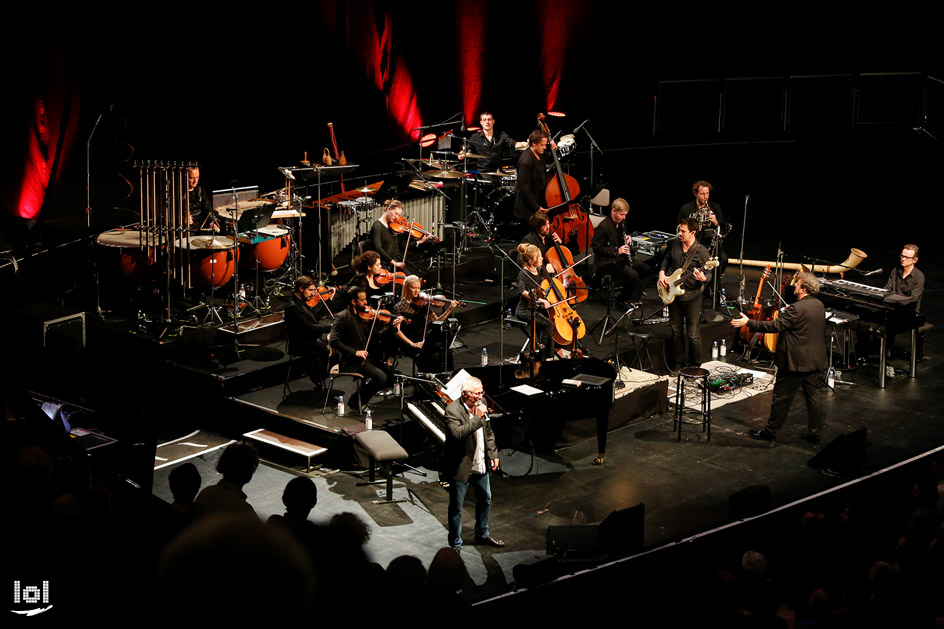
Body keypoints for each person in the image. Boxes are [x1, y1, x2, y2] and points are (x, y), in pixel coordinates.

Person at [731, 272, 827, 443]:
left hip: (795, 362)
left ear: (804, 289)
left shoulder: (797, 308)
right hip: (815, 359)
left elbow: (775, 326)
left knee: (781, 397)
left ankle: (770, 431)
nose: (794, 286)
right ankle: (815, 433)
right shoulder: (819, 305)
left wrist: (749, 323)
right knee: (813, 397)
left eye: (797, 284)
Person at [443, 375, 503, 550]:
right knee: (456, 507)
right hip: (461, 467)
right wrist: (476, 418)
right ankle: (455, 545)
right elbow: (457, 434)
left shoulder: (481, 403)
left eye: (481, 392)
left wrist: (493, 454)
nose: (480, 396)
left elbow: (489, 432)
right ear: (464, 394)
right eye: (476, 394)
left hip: (480, 463)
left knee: (485, 499)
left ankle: (482, 534)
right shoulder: (452, 410)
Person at [329, 286, 399, 411]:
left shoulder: (365, 316)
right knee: (381, 378)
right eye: (362, 300)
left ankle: (361, 394)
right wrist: (355, 352)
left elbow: (377, 336)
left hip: (367, 357)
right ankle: (355, 401)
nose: (366, 303)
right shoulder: (342, 317)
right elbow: (334, 341)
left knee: (391, 376)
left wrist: (392, 328)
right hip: (351, 360)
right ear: (353, 302)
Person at [659, 218, 711, 369]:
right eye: (679, 230)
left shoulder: (701, 252)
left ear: (693, 233)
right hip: (674, 296)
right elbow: (666, 259)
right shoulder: (675, 244)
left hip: (692, 298)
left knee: (693, 334)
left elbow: (709, 274)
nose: (679, 234)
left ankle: (695, 366)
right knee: (676, 332)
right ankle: (678, 365)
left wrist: (703, 278)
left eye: (683, 231)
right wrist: (662, 273)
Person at [392, 275, 458, 373]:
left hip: (425, 338)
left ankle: (447, 377)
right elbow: (396, 331)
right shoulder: (399, 307)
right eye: (413, 288)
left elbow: (436, 321)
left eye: (418, 288)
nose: (417, 291)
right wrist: (412, 344)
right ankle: (428, 379)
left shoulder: (423, 304)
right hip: (410, 341)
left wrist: (450, 309)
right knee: (433, 356)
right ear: (406, 287)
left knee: (446, 351)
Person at [283, 275, 337, 388]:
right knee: (326, 348)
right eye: (310, 290)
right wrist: (331, 327)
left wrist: (329, 301)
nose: (313, 293)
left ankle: (323, 374)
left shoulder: (301, 302)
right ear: (301, 289)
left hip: (309, 337)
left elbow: (314, 318)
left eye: (314, 290)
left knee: (335, 343)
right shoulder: (293, 307)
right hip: (300, 343)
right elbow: (309, 327)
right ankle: (319, 377)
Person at [592, 197, 645, 307]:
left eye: (625, 215)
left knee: (646, 269)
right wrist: (617, 250)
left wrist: (628, 238)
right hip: (607, 262)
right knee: (633, 275)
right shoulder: (603, 227)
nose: (624, 217)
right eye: (621, 214)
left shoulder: (621, 222)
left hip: (620, 259)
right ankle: (623, 300)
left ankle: (633, 297)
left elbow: (620, 238)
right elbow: (597, 249)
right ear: (613, 211)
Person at [678, 180, 728, 278]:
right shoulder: (686, 208)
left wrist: (716, 222)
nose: (705, 197)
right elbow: (678, 226)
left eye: (707, 193)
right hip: (691, 243)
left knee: (723, 259)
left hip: (709, 243)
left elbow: (724, 226)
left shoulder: (715, 207)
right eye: (702, 194)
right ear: (695, 193)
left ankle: (713, 284)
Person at [516, 243, 554, 361]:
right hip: (525, 310)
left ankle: (543, 352)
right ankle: (544, 356)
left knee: (545, 324)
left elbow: (547, 285)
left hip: (536, 308)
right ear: (531, 261)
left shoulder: (538, 269)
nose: (542, 258)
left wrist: (551, 273)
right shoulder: (523, 273)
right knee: (548, 324)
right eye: (539, 257)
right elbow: (522, 291)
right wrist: (540, 300)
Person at [370, 199, 428, 271]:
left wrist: (420, 241)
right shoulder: (377, 226)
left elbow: (402, 246)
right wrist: (393, 262)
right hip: (384, 265)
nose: (397, 217)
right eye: (396, 213)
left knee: (414, 279)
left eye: (399, 215)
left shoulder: (393, 227)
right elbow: (378, 248)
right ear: (389, 209)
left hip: (395, 263)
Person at [457, 111, 525, 172]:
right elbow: (466, 149)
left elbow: (514, 144)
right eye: (484, 120)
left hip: (498, 171)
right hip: (482, 172)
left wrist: (526, 143)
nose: (487, 122)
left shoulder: (501, 135)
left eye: (489, 119)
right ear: (481, 122)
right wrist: (462, 153)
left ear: (493, 121)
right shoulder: (475, 137)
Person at [513, 129, 556, 223]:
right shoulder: (526, 161)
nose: (545, 148)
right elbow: (524, 188)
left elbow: (549, 160)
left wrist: (553, 150)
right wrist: (537, 207)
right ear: (533, 144)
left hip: (537, 202)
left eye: (545, 145)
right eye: (542, 145)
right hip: (527, 209)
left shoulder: (539, 153)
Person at [885, 244, 923, 314]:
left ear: (915, 260)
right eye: (902, 256)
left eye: (907, 257)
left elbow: (912, 300)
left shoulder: (919, 276)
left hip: (909, 313)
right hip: (892, 309)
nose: (903, 259)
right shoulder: (895, 271)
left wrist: (893, 298)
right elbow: (886, 291)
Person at [187, 167, 218, 232]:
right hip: (186, 229)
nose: (195, 181)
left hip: (200, 226)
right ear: (185, 177)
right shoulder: (178, 193)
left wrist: (211, 221)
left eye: (197, 177)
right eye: (191, 178)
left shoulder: (200, 190)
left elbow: (207, 209)